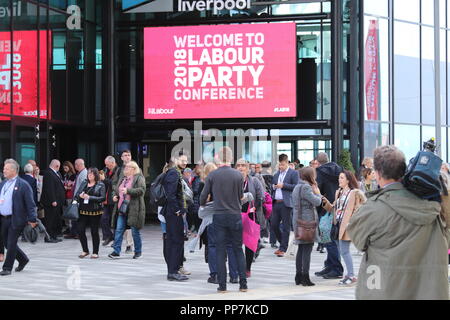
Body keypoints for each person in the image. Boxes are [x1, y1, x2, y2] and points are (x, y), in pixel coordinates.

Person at [347, 145, 449, 299]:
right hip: (428, 291)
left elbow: (358, 240)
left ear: (379, 174)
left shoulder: (373, 209)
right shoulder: (434, 204)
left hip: (385, 289)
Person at [200, 146, 248, 293]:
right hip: (235, 215)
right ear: (231, 158)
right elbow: (241, 196)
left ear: (218, 158)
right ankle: (243, 284)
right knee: (238, 249)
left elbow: (202, 197)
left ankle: (222, 286)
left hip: (219, 216)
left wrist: (204, 203)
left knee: (220, 251)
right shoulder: (238, 175)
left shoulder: (212, 176)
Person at [323, 170, 366, 285]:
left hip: (347, 226)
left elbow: (358, 209)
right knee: (343, 251)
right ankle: (349, 275)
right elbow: (333, 208)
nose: (339, 180)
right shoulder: (339, 192)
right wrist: (323, 201)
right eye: (339, 178)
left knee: (345, 251)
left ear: (348, 180)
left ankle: (351, 276)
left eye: (342, 178)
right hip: (338, 225)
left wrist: (351, 222)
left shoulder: (354, 193)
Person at [0, 159, 37, 276]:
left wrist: (32, 219)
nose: (3, 171)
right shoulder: (3, 183)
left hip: (16, 219)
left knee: (11, 242)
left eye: (6, 169)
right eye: (4, 168)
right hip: (3, 218)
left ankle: (7, 268)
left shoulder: (23, 185)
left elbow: (30, 204)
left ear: (13, 170)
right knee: (7, 243)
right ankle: (23, 259)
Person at [160, 153, 191, 281]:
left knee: (175, 240)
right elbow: (171, 194)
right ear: (175, 160)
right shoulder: (173, 173)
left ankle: (173, 270)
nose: (185, 162)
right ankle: (172, 271)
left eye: (186, 160)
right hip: (173, 213)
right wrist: (177, 210)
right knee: (175, 241)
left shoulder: (176, 172)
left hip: (173, 212)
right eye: (182, 160)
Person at [314, 152, 344, 279]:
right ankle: (330, 265)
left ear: (318, 162)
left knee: (329, 239)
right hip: (338, 206)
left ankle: (337, 269)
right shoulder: (339, 169)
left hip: (325, 207)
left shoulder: (319, 172)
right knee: (332, 238)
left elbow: (318, 190)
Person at [109, 161, 146, 260]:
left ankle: (138, 252)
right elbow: (115, 190)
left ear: (134, 169)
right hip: (121, 208)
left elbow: (142, 190)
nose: (126, 168)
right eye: (126, 167)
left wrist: (128, 191)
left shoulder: (139, 178)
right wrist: (114, 196)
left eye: (128, 167)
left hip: (133, 209)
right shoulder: (123, 178)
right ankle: (116, 252)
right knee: (119, 230)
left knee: (135, 232)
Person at [292, 167, 322, 286]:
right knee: (307, 249)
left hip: (298, 221)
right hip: (307, 222)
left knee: (301, 248)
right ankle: (305, 277)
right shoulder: (306, 187)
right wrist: (318, 194)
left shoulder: (297, 186)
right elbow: (317, 202)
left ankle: (298, 276)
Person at [235, 158, 264, 278]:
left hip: (251, 215)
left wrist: (254, 208)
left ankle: (247, 268)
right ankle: (238, 267)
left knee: (250, 244)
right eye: (238, 166)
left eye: (243, 166)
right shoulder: (233, 180)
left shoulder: (255, 181)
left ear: (247, 168)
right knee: (236, 243)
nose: (241, 168)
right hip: (236, 215)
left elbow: (261, 196)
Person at [74, 168, 106, 259]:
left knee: (94, 232)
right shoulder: (84, 182)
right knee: (80, 230)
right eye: (88, 174)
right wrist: (79, 196)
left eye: (91, 174)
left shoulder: (100, 184)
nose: (89, 175)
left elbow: (102, 198)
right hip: (82, 210)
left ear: (96, 175)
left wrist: (90, 197)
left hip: (95, 211)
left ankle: (95, 252)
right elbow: (77, 194)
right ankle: (85, 250)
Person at [271, 154, 299, 257]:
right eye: (279, 165)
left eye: (282, 165)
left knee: (286, 226)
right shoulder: (276, 174)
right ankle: (283, 243)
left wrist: (284, 185)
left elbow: (296, 186)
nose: (280, 167)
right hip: (276, 202)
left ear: (287, 163)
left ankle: (283, 248)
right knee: (273, 225)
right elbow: (272, 185)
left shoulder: (293, 173)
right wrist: (273, 187)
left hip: (286, 203)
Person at [115, 150, 136, 254]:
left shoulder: (136, 169)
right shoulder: (119, 170)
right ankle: (117, 247)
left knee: (130, 225)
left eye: (129, 155)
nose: (127, 157)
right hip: (121, 202)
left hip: (131, 202)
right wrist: (115, 195)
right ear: (122, 158)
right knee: (120, 226)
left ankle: (129, 245)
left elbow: (139, 185)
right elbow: (116, 183)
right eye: (125, 155)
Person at [40, 159, 65, 243]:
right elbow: (49, 188)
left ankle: (53, 236)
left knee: (54, 220)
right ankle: (48, 237)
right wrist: (53, 200)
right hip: (51, 202)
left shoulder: (54, 173)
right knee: (50, 220)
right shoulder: (49, 173)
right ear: (57, 166)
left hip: (56, 201)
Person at [102, 156, 120, 246]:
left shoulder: (118, 171)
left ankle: (116, 240)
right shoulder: (106, 170)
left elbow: (115, 184)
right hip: (106, 199)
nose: (106, 166)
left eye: (108, 165)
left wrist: (104, 179)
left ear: (113, 163)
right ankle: (109, 236)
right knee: (104, 219)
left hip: (114, 198)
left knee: (115, 220)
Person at [62, 161, 76, 235]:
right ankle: (68, 227)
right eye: (64, 168)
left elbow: (73, 187)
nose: (65, 169)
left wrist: (66, 187)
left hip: (70, 196)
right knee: (65, 213)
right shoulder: (65, 175)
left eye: (66, 168)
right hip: (65, 196)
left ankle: (71, 228)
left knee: (70, 213)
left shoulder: (73, 176)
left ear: (70, 167)